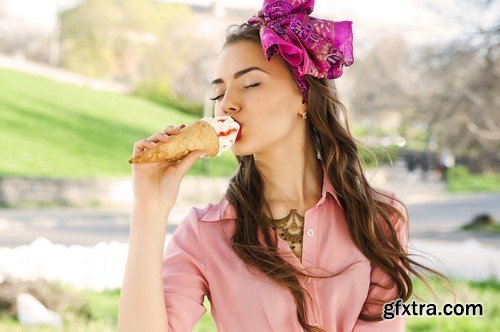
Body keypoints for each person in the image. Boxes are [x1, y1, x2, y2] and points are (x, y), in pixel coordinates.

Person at [118, 1, 450, 331]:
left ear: (303, 97)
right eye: (218, 94)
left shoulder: (381, 217)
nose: (227, 105)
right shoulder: (204, 233)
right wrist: (149, 208)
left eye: (251, 84)